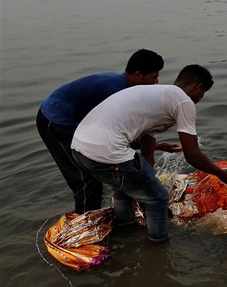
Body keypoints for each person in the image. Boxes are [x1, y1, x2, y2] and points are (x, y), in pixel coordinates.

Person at [71, 65, 227, 243]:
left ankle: (125, 232)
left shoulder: (156, 95)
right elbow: (192, 155)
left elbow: (147, 144)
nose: (201, 98)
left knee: (125, 187)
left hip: (79, 148)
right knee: (158, 198)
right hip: (106, 151)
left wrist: (147, 176)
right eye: (202, 93)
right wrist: (222, 174)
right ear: (197, 87)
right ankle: (158, 247)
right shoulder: (183, 101)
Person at [37, 49, 167, 214]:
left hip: (76, 122)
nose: (156, 83)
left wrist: (151, 145)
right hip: (55, 122)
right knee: (85, 180)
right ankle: (85, 229)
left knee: (100, 172)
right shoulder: (115, 92)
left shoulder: (123, 87)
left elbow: (116, 136)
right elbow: (114, 135)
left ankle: (98, 217)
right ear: (138, 75)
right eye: (154, 77)